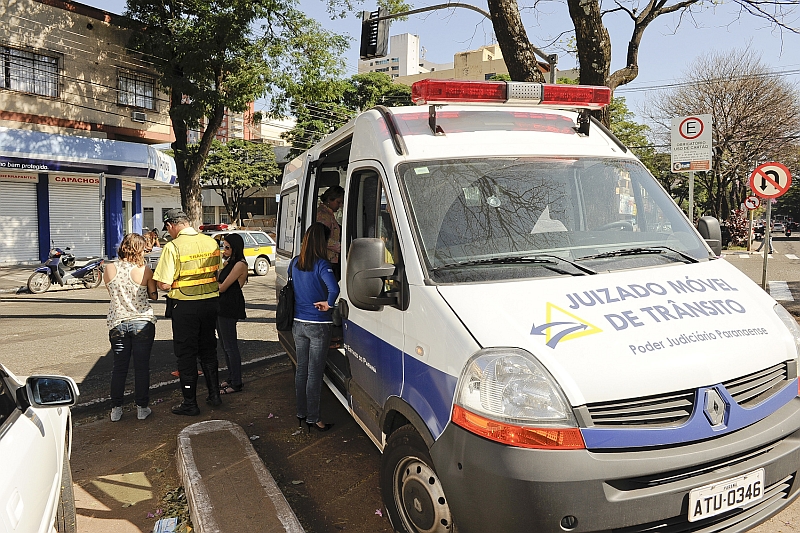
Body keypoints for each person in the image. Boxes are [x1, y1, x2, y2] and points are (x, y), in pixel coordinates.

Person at [153, 209, 222, 416]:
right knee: (209, 350)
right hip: (210, 303)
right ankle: (214, 395)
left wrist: (176, 282)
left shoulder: (173, 247)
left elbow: (163, 284)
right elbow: (215, 273)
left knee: (186, 354)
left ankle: (190, 404)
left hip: (185, 306)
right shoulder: (211, 242)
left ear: (170, 225)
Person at [292, 222, 340, 432]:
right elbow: (334, 288)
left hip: (298, 323)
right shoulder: (322, 264)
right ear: (323, 242)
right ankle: (314, 418)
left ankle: (301, 413)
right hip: (319, 324)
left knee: (301, 369)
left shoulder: (295, 262)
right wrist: (328, 304)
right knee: (315, 372)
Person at [104, 233, 158, 422]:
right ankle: (142, 408)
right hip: (142, 321)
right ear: (139, 250)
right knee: (141, 368)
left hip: (117, 322)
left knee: (119, 367)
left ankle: (116, 409)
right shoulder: (145, 270)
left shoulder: (109, 268)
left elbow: (112, 293)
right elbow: (153, 296)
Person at [217, 233, 248, 394]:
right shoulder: (228, 262)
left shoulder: (240, 265)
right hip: (221, 305)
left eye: (228, 247)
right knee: (224, 344)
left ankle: (236, 382)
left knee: (230, 346)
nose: (225, 250)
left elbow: (222, 287)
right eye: (224, 246)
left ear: (235, 248)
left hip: (230, 306)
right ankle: (231, 377)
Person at [316, 185, 344, 279]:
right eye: (338, 202)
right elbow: (322, 238)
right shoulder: (323, 216)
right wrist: (342, 247)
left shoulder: (328, 214)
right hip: (327, 259)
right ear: (329, 199)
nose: (340, 205)